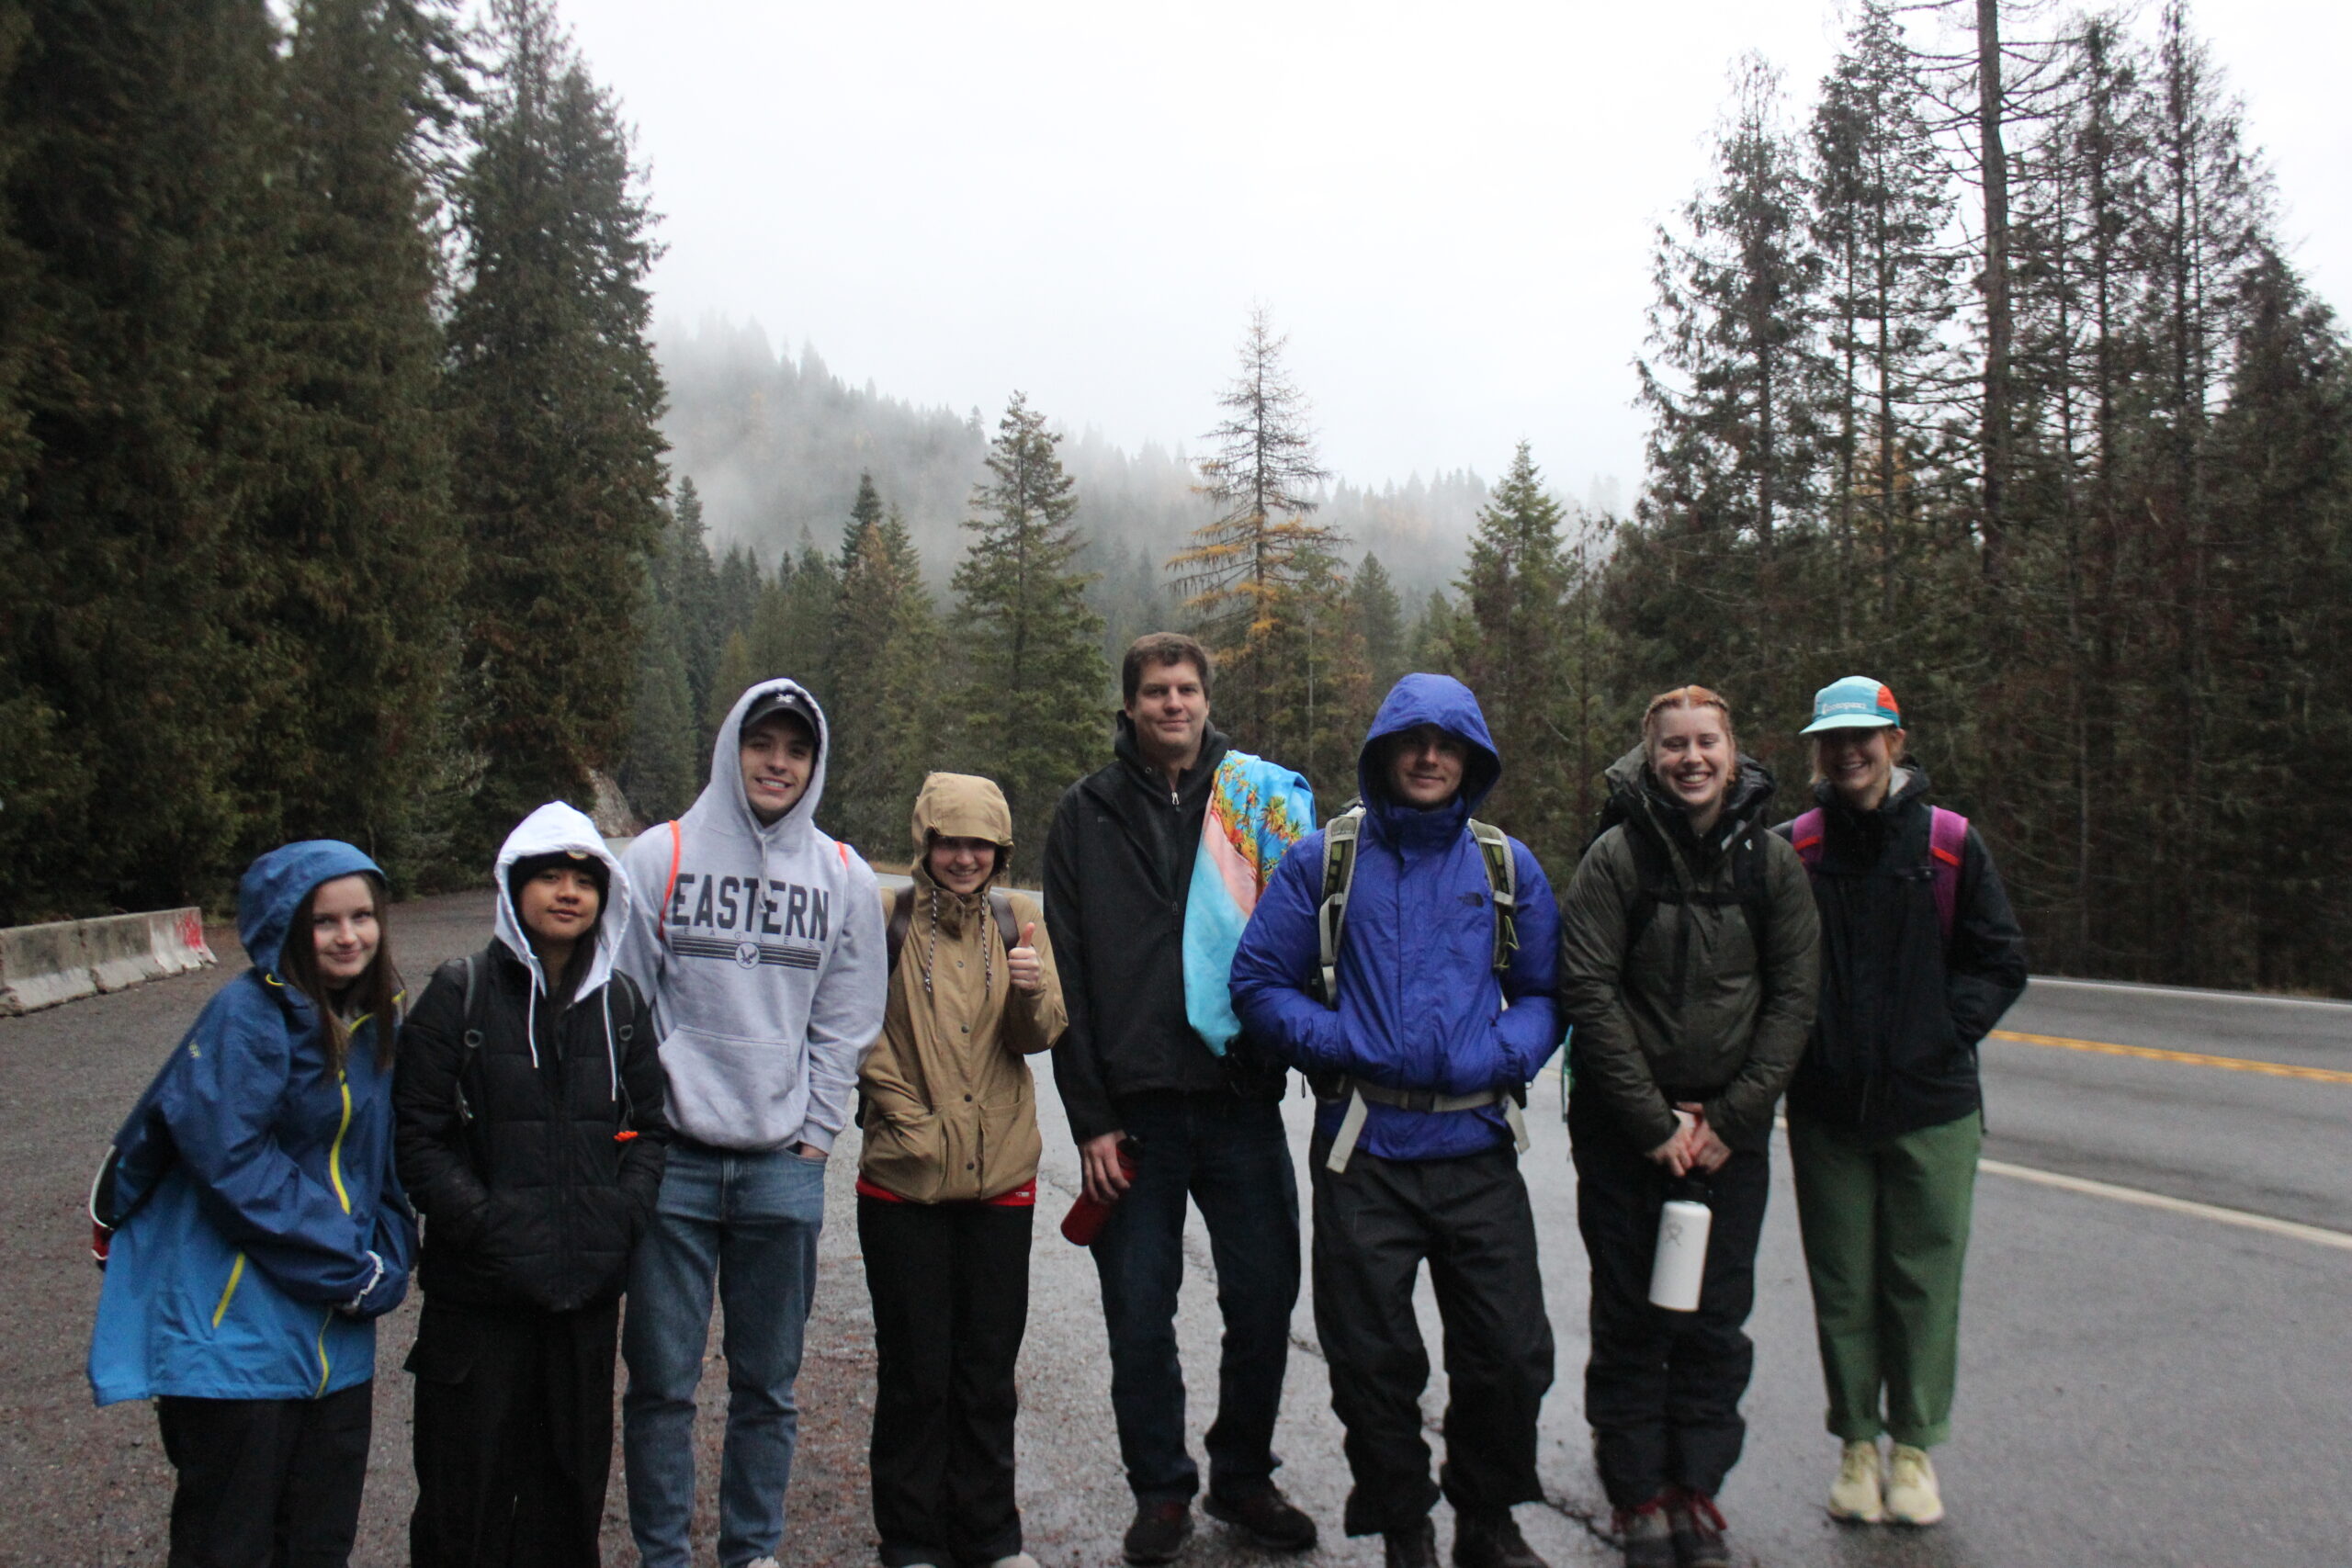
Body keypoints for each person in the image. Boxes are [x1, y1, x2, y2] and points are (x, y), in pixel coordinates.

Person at [1231, 673, 1565, 1568]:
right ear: (1383, 753)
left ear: (1470, 759)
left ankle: (1486, 1523)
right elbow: (1256, 983)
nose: (1427, 757)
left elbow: (1543, 994)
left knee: (1508, 1354)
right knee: (1372, 1365)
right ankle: (1405, 1528)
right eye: (1410, 742)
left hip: (1477, 1149)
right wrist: (1338, 1044)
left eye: (1446, 744)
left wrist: (1501, 1057)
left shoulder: (1505, 866)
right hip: (1363, 1150)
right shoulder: (1325, 860)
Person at [1044, 632, 1320, 1566]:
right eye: (1156, 691)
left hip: (1240, 1099)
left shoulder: (1251, 802)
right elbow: (1067, 977)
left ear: (1206, 699)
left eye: (1187, 689)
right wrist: (1091, 1119)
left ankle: (1241, 1474)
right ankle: (1159, 1491)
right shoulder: (1084, 813)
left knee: (1264, 1294)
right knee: (1137, 1309)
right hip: (1137, 1113)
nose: (1173, 703)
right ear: (1129, 707)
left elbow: (1302, 939)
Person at [614, 680, 889, 1568]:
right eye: (762, 743)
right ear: (732, 745)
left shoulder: (842, 875)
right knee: (661, 1383)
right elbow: (623, 1003)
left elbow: (847, 1021)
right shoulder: (661, 857)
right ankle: (664, 1554)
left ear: (814, 765)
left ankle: (751, 1551)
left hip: (781, 1165)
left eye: (796, 750)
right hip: (674, 1168)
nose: (778, 763)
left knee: (767, 1386)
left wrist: (814, 1136)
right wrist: (644, 1129)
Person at [88, 840, 414, 1567]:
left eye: (362, 915)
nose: (348, 935)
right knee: (228, 1542)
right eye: (325, 920)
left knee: (318, 1539)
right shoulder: (248, 1015)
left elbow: (381, 1161)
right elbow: (234, 1163)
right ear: (287, 925)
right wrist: (351, 1266)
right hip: (235, 1338)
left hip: (334, 1341)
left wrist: (392, 1257)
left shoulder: (373, 1018)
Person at [1556, 686, 1820, 1568]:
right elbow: (1587, 991)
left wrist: (1735, 1117)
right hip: (1626, 1128)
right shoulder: (1616, 857)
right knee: (1631, 1311)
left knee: (1715, 1317)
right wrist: (1650, 1119)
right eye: (1675, 745)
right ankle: (1637, 1494)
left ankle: (1695, 1487)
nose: (1692, 759)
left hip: (1727, 1134)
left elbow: (1793, 997)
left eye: (1707, 742)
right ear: (1651, 756)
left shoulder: (1773, 866)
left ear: (1733, 752)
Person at [1773, 676, 2026, 1529]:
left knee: (1922, 1280)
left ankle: (1913, 1451)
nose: (1850, 752)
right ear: (1817, 748)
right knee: (1843, 1281)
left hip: (1934, 1108)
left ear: (1896, 740)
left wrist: (1941, 1033)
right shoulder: (1794, 849)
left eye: (1865, 736)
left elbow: (1999, 960)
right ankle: (1855, 1445)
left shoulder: (1950, 844)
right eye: (1834, 738)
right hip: (1828, 1110)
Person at [395, 800, 673, 1565]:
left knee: (568, 1500)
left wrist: (622, 1212)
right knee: (464, 1504)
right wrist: (481, 1221)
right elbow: (416, 1134)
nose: (567, 892)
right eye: (549, 874)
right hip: (477, 1304)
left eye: (583, 878)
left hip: (582, 1303)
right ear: (515, 886)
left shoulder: (620, 1007)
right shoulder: (460, 994)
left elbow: (647, 1128)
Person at [856, 773, 1067, 1568]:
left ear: (1000, 850)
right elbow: (852, 1025)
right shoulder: (887, 917)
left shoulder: (1022, 918)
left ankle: (988, 1535)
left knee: (986, 1371)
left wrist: (1031, 988)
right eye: (951, 841)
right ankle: (911, 1539)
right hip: (903, 1177)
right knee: (915, 1369)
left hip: (1000, 1178)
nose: (965, 857)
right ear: (926, 843)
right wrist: (908, 1121)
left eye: (980, 844)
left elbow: (1041, 1035)